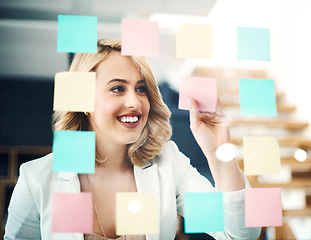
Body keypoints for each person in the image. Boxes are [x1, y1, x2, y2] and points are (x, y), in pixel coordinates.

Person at [4, 39, 261, 240]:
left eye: (140, 89)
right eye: (117, 88)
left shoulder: (168, 163)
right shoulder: (37, 178)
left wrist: (218, 150)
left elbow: (239, 233)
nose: (135, 101)